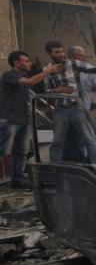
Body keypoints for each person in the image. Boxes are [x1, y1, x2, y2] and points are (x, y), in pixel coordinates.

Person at [44, 41, 96, 163]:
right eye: (57, 52)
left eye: (62, 51)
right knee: (57, 141)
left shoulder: (75, 64)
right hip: (60, 109)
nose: (61, 54)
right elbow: (46, 91)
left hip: (77, 107)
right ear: (49, 53)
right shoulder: (47, 70)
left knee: (88, 138)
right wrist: (58, 91)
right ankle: (55, 166)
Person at [0, 52, 60, 187]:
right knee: (2, 151)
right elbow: (31, 81)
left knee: (21, 152)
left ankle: (18, 180)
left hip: (23, 120)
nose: (30, 63)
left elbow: (32, 93)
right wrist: (48, 70)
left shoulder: (23, 77)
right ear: (16, 63)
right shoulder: (9, 75)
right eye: (26, 61)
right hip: (9, 120)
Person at [66, 46, 96, 110]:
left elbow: (93, 89)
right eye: (81, 56)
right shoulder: (63, 69)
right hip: (67, 108)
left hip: (84, 107)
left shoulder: (89, 70)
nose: (84, 58)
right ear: (71, 56)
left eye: (83, 56)